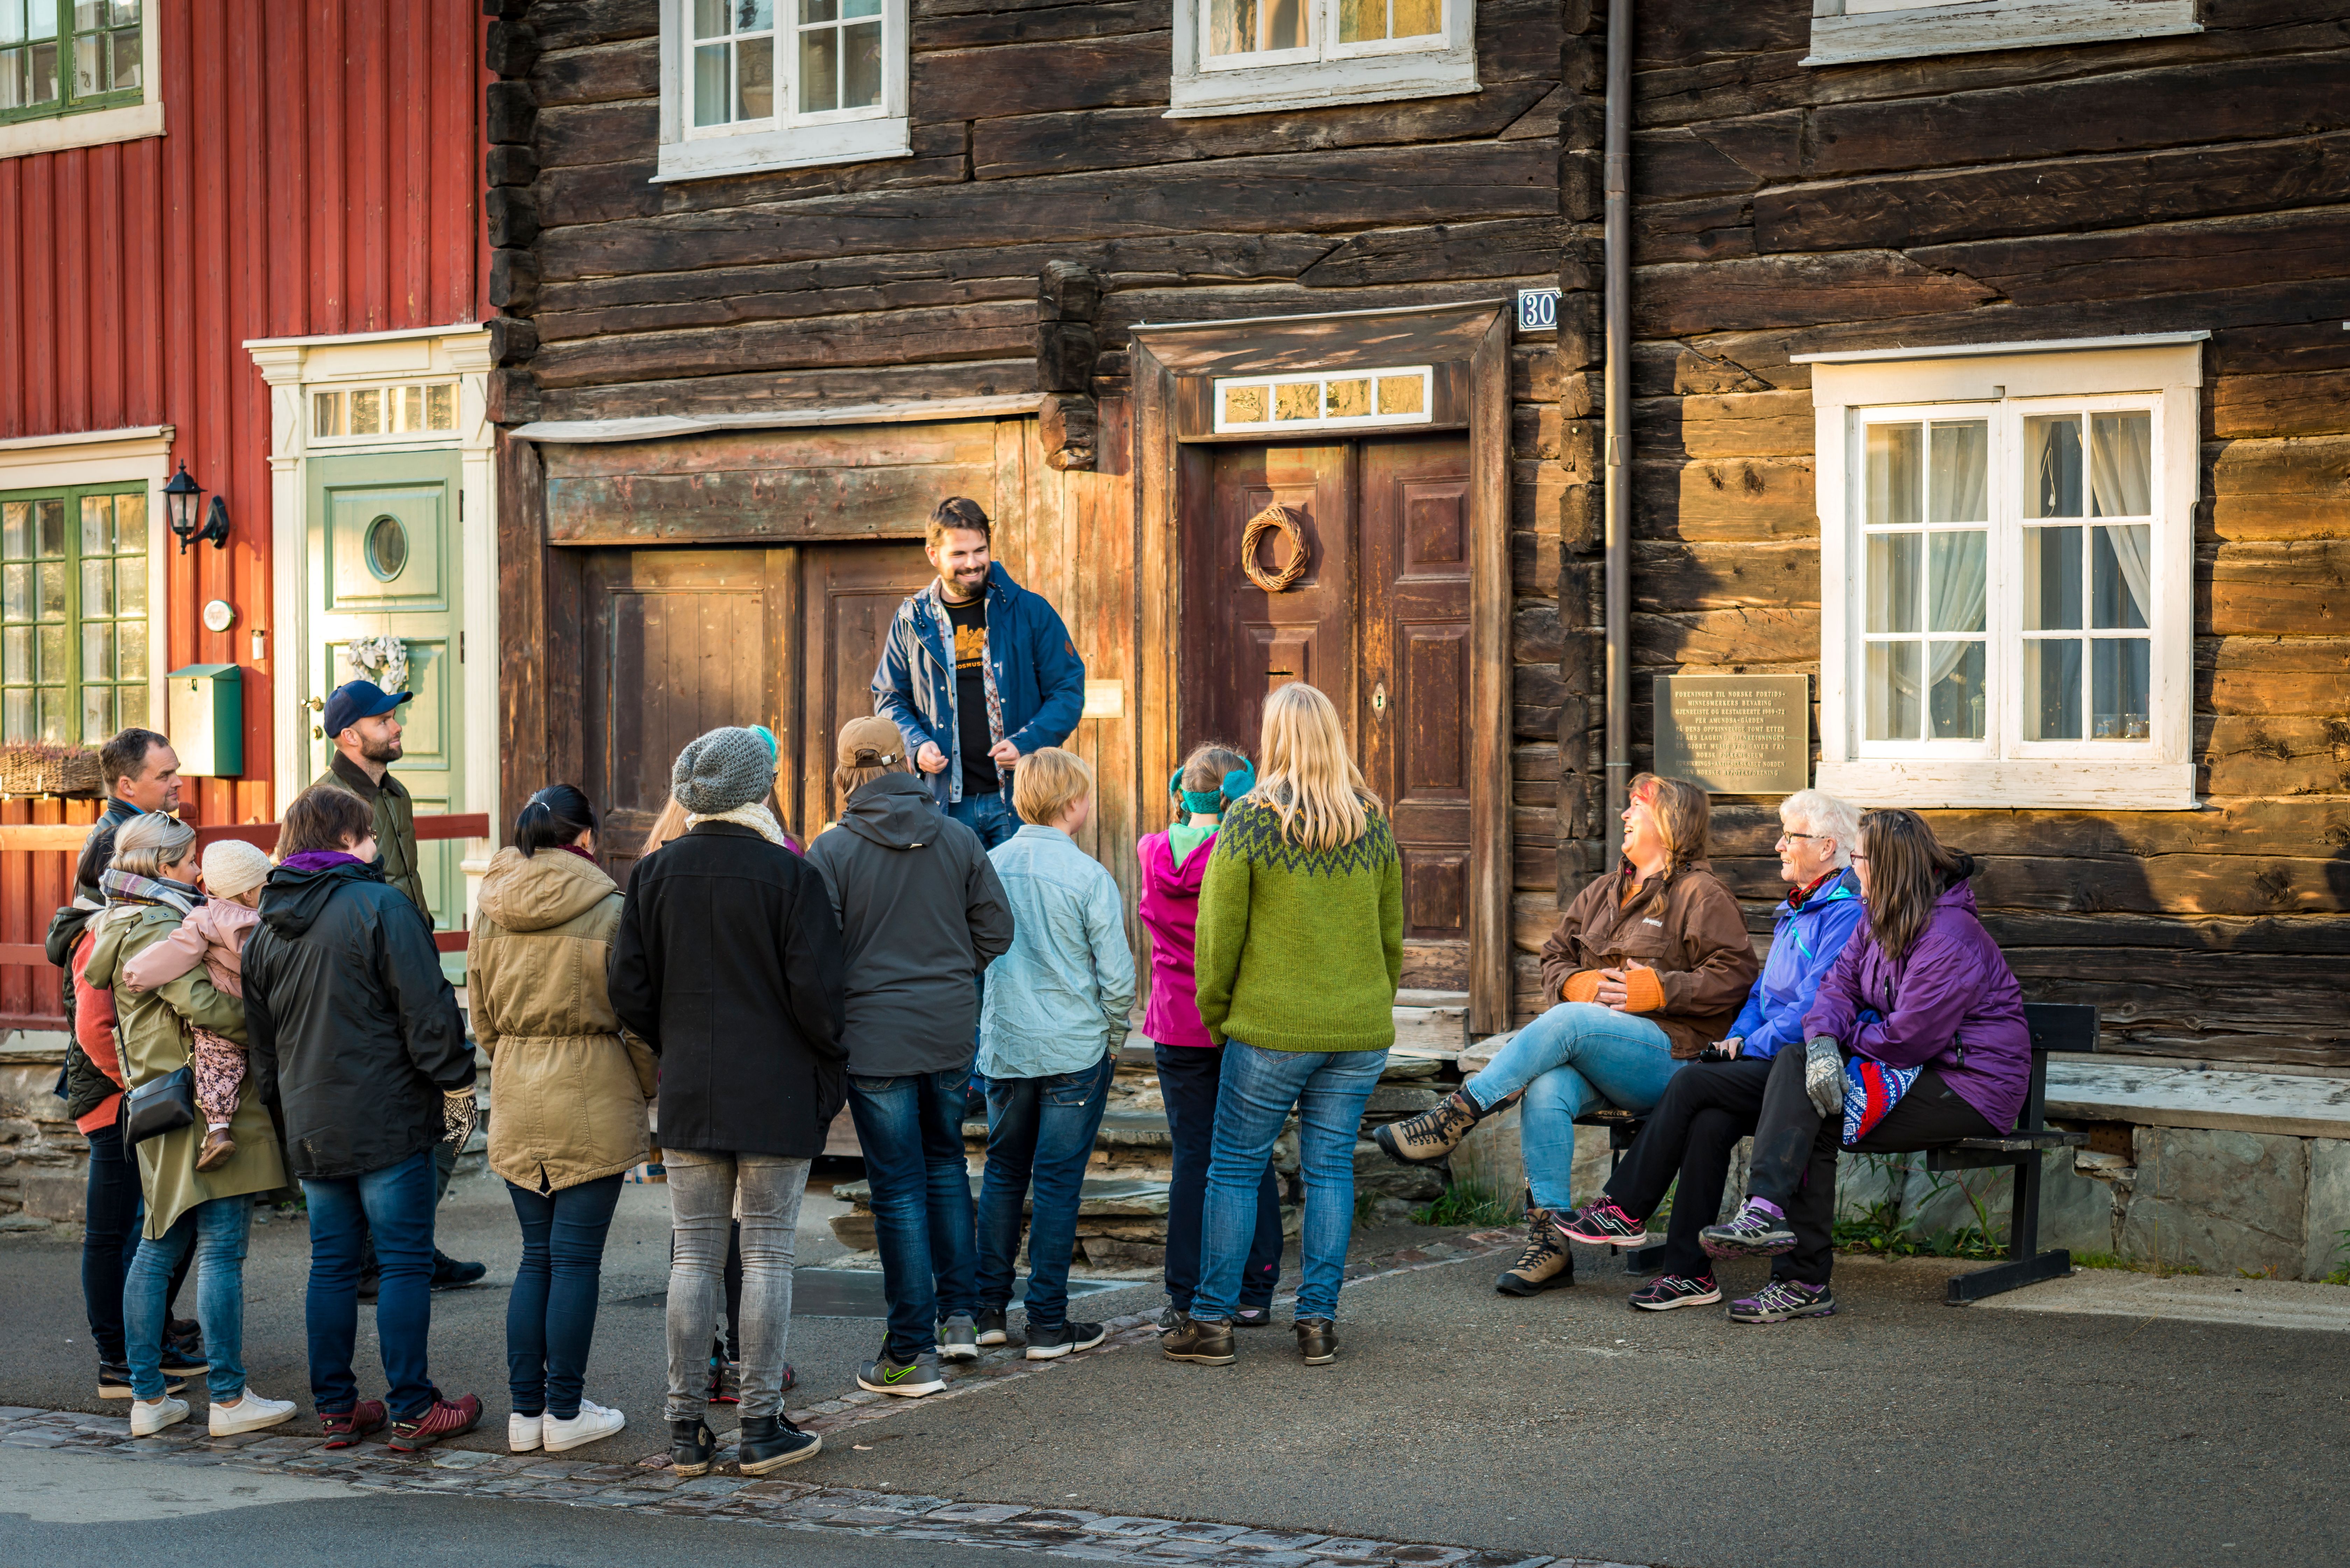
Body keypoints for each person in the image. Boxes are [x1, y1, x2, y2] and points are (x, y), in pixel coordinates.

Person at [1371, 772, 1757, 1299]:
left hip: (1673, 1059)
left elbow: (1735, 976)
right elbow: (1553, 956)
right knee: (1549, 1083)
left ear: (1669, 824)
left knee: (1570, 1021)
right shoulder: (1602, 892)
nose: (1624, 816)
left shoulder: (1701, 893)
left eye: (1636, 808)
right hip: (1607, 1058)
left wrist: (1657, 988)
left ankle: (1456, 1114)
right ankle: (1550, 1238)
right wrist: (1579, 981)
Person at [1686, 808, 2033, 1323]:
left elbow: (1910, 1039)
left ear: (1887, 865)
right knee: (1803, 1070)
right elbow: (1837, 986)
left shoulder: (1949, 935)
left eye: (1860, 857)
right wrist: (1824, 1038)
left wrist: (1839, 1038)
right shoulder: (1877, 915)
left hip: (1970, 1086)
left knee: (1812, 1103)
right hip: (1911, 1068)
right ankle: (1780, 1244)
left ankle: (1782, 1245)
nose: (1853, 868)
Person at [609, 726, 846, 1478]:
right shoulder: (789, 875)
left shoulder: (653, 874)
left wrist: (677, 1040)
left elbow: (628, 992)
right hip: (773, 1086)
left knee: (695, 1256)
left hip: (689, 1085)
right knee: (768, 1254)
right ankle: (759, 1423)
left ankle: (684, 1429)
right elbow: (818, 997)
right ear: (757, 789)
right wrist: (824, 1056)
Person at [1162, 683, 1401, 1370]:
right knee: (1328, 1169)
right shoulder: (1371, 821)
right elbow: (1391, 935)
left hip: (1268, 1029)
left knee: (1234, 1167)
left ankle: (1209, 1322)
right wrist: (1370, 1003)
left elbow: (1217, 935)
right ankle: (1317, 1322)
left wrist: (1217, 1015)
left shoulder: (1250, 819)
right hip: (1355, 1030)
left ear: (1275, 740)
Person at [1553, 790, 1866, 1311]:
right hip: (1770, 1059)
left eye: (1791, 836)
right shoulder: (1799, 910)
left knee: (1693, 1082)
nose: (1777, 845)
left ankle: (1625, 1205)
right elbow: (1762, 994)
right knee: (1709, 1118)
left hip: (1809, 1068)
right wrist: (1736, 1036)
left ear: (1828, 846)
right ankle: (1688, 1273)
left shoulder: (1844, 915)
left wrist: (1749, 1043)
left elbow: (1817, 1007)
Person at [242, 784, 484, 1452]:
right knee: (404, 1263)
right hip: (386, 1116)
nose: (377, 846)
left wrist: (282, 1113)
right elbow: (429, 1012)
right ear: (347, 840)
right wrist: (457, 1082)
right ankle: (411, 1408)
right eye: (371, 835)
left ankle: (337, 1409)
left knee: (332, 1264)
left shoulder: (264, 929)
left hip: (311, 1120)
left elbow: (263, 1044)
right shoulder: (381, 905)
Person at [805, 717, 1012, 1393]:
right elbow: (997, 930)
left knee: (897, 1188)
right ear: (907, 765)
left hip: (875, 1037)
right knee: (946, 1166)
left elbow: (818, 954)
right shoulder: (955, 836)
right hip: (949, 1027)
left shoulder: (830, 850)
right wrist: (954, 970)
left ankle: (910, 1350)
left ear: (844, 771)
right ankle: (960, 1319)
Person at [84, 813, 293, 1439]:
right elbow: (199, 1003)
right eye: (186, 862)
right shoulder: (158, 920)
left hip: (161, 1095)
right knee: (220, 1247)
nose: (197, 872)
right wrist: (265, 1020)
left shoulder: (115, 918)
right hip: (203, 1097)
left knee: (159, 1243)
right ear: (160, 867)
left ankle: (149, 1398)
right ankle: (228, 1398)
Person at [472, 785, 652, 1455]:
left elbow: (482, 1015)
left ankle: (526, 1415)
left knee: (535, 1257)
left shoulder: (491, 904)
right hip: (592, 1084)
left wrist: (514, 1060)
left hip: (520, 1087)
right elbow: (636, 1015)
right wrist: (638, 1085)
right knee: (576, 1260)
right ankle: (566, 1410)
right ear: (585, 839)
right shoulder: (609, 906)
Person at [312, 677, 486, 1292]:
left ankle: (403, 1242)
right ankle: (376, 1257)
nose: (399, 727)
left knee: (448, 1113)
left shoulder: (400, 793)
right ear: (350, 734)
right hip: (365, 988)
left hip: (414, 972)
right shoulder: (324, 802)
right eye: (387, 720)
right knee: (395, 1121)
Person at [971, 746, 1133, 1365]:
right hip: (1073, 1047)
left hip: (1008, 1046)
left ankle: (987, 1311)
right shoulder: (1089, 875)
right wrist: (1112, 1040)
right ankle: (1045, 1322)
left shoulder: (989, 864)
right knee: (1059, 1182)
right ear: (1073, 803)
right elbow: (1117, 978)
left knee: (1004, 1173)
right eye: (1087, 795)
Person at [52, 822, 202, 1402]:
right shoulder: (102, 929)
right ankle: (117, 1358)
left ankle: (149, 1341)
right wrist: (138, 1085)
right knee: (115, 1232)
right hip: (117, 1098)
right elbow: (93, 1028)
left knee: (157, 1226)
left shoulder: (137, 919)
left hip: (136, 1095)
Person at [1139, 743, 1285, 1331]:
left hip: (1174, 1022)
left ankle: (1184, 1290)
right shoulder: (1243, 848)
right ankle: (1254, 1287)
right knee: (1251, 1158)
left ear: (1183, 790)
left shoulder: (1152, 849)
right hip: (1235, 1019)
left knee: (1192, 1158)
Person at [873, 496, 1086, 852]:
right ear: (933, 555)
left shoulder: (1031, 611)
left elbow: (1068, 690)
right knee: (953, 906)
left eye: (980, 551)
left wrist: (1027, 743)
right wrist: (915, 744)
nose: (972, 564)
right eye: (959, 554)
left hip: (1020, 800)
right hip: (944, 803)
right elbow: (889, 697)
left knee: (1016, 906)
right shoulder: (912, 620)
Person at [119, 838, 274, 1172]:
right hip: (267, 1010)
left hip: (224, 1010)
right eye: (266, 883)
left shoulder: (205, 919)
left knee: (215, 1065)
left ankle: (218, 1131)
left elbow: (175, 953)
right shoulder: (271, 921)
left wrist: (136, 973)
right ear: (249, 894)